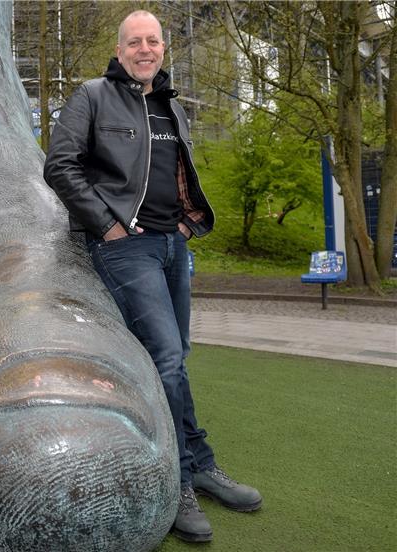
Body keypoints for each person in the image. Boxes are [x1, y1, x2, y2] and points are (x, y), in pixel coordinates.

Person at [43, 10, 262, 543]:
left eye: (154, 41)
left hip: (171, 246)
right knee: (165, 355)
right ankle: (179, 481)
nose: (146, 49)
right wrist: (108, 227)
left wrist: (186, 227)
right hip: (127, 249)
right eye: (135, 42)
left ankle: (200, 463)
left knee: (177, 357)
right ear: (120, 51)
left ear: (164, 49)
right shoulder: (92, 96)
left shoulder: (172, 107)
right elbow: (59, 165)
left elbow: (178, 175)